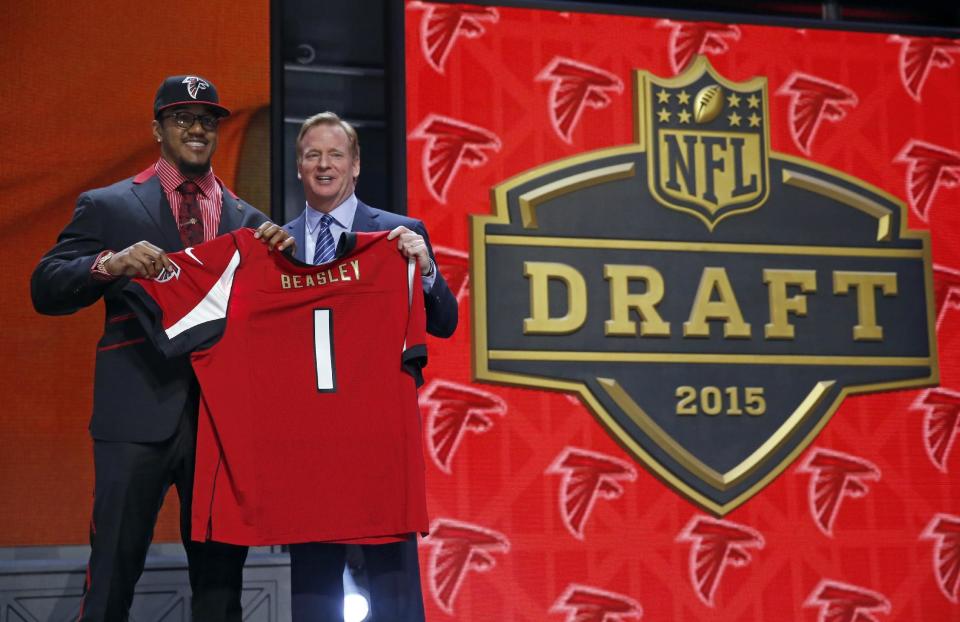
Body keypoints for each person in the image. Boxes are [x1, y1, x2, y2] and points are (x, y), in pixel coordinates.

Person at [30, 74, 294, 621]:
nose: (197, 129)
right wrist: (109, 263)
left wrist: (287, 260)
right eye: (182, 118)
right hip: (135, 417)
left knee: (221, 590)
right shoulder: (109, 206)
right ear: (157, 128)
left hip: (221, 427)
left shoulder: (252, 223)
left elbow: (279, 321)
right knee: (111, 578)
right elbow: (46, 286)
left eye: (207, 120)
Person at [282, 111, 458, 621]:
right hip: (307, 438)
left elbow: (444, 321)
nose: (324, 165)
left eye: (335, 154)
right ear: (298, 166)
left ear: (355, 165)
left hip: (380, 436)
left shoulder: (399, 234)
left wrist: (423, 270)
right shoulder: (277, 244)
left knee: (392, 583)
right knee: (313, 582)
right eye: (312, 154)